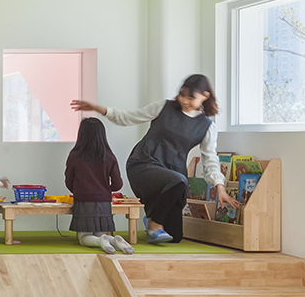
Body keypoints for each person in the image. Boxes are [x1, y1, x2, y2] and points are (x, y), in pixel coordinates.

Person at [70, 74, 236, 245]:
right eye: (182, 95)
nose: (185, 101)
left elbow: (210, 159)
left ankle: (152, 217)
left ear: (205, 96)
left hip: (172, 174)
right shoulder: (164, 107)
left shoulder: (207, 127)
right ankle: (154, 223)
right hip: (144, 163)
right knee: (179, 182)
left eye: (191, 97)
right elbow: (128, 117)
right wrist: (98, 108)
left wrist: (220, 187)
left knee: (175, 236)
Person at [64, 116, 132, 255]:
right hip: (104, 203)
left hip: (83, 202)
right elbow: (118, 184)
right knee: (101, 233)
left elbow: (69, 181)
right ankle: (115, 240)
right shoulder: (109, 156)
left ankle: (101, 241)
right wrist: (104, 190)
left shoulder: (74, 155)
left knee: (84, 238)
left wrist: (79, 191)